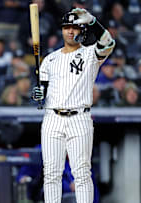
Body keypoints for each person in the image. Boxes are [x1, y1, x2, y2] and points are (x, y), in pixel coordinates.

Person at [31, 8, 115, 203]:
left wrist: (93, 21)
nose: (70, 31)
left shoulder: (90, 54)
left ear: (82, 31)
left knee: (82, 173)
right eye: (67, 27)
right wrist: (38, 95)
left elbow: (108, 43)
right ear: (62, 30)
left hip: (79, 117)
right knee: (51, 172)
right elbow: (42, 91)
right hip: (52, 118)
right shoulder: (50, 59)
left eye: (75, 27)